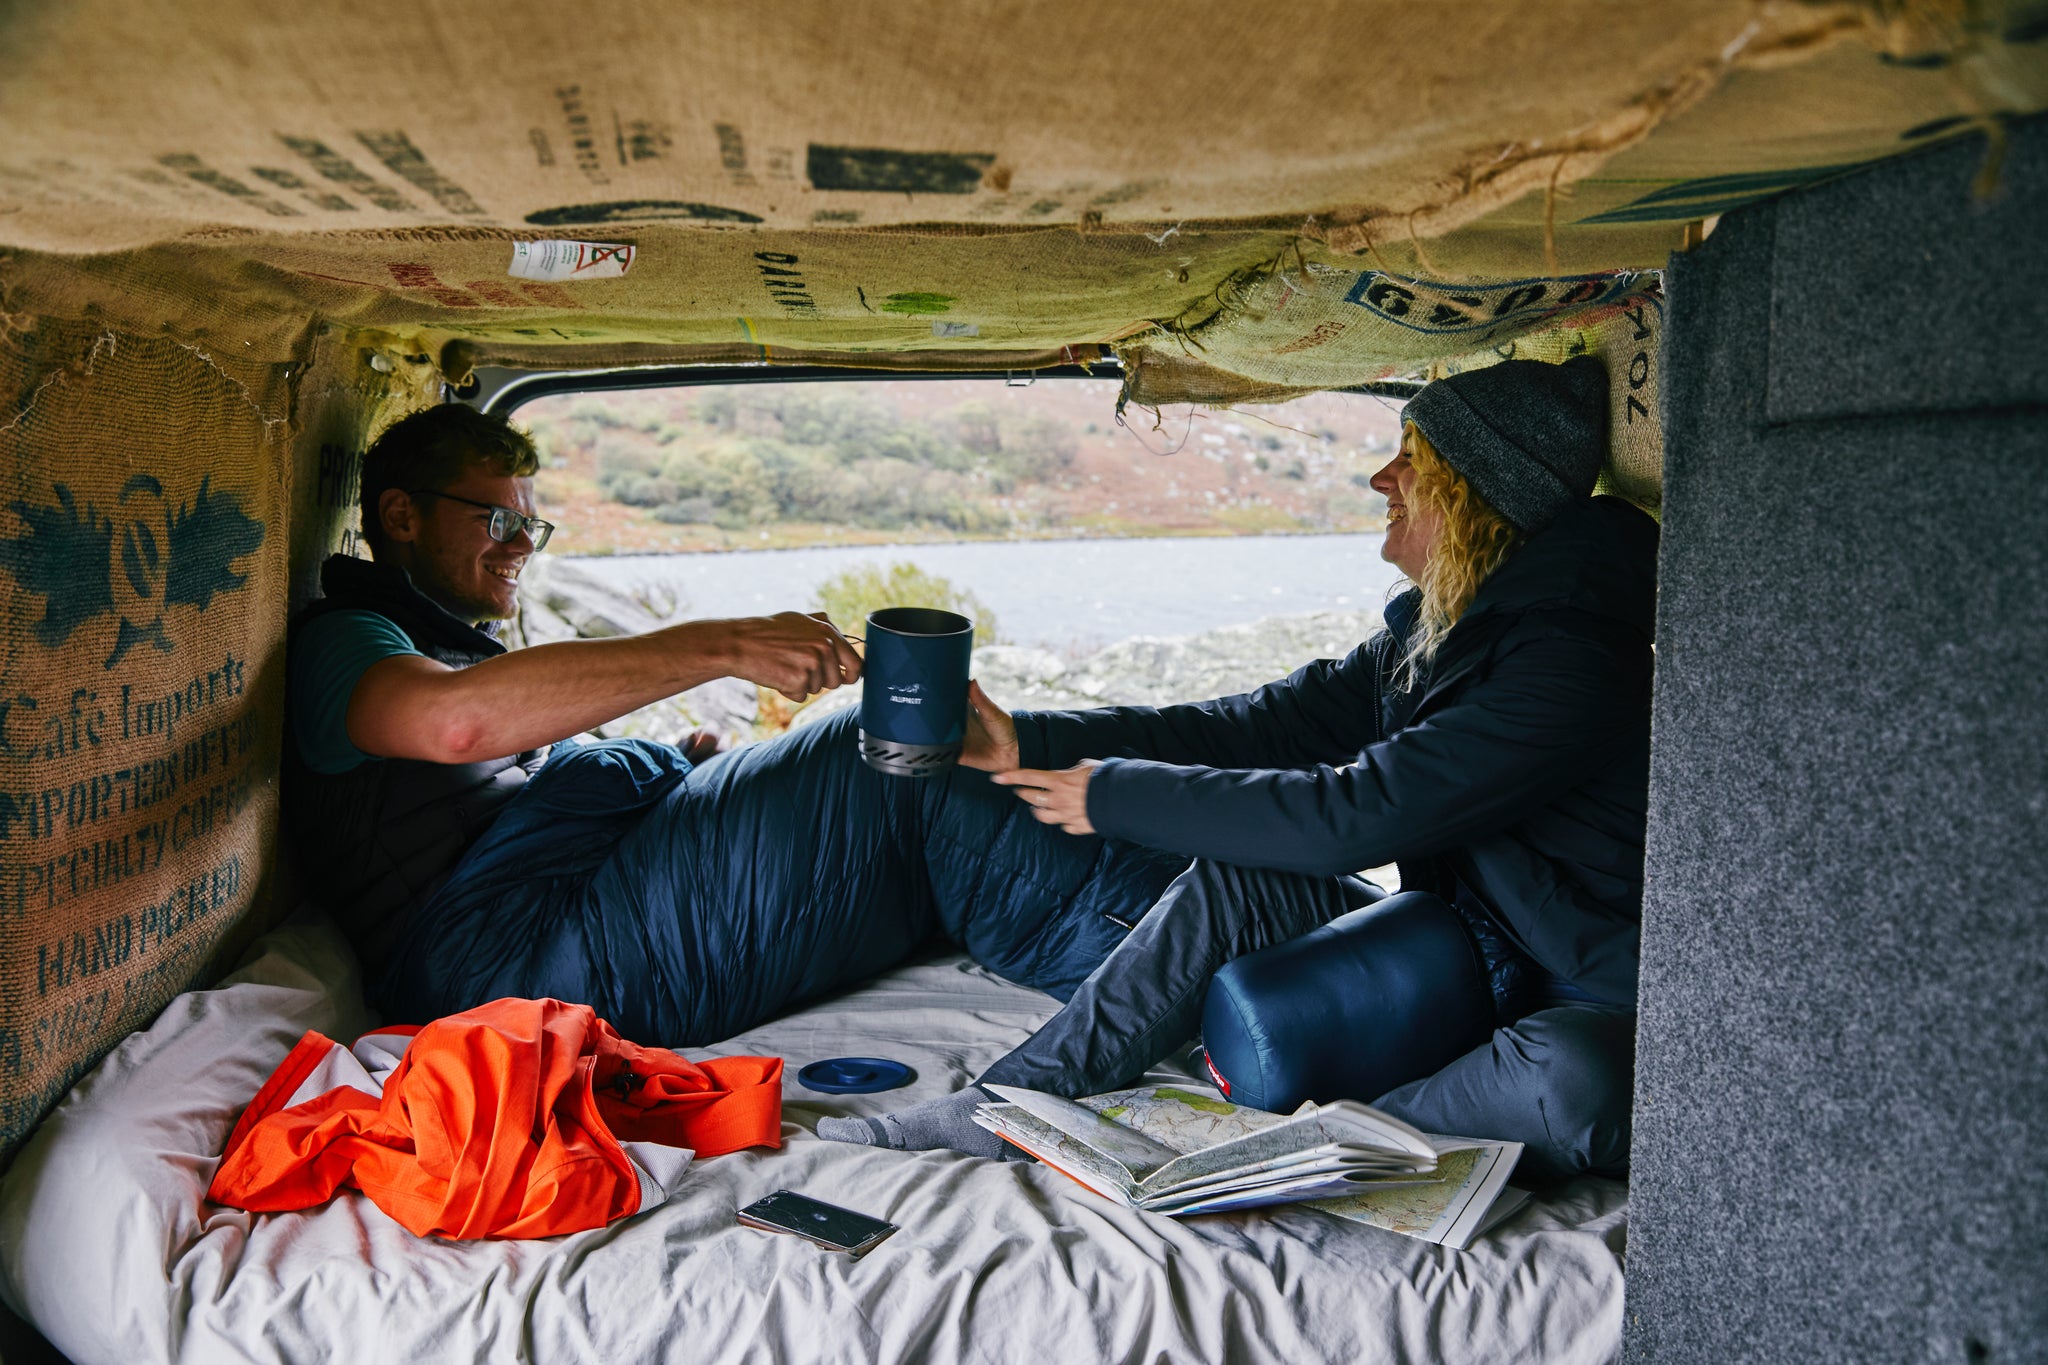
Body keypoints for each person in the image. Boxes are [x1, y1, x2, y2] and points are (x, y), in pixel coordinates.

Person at [819, 354, 1657, 1182]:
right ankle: (1010, 1107)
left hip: (1572, 1001)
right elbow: (1250, 729)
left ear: (1478, 496)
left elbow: (1361, 813)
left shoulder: (1570, 661)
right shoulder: (1431, 639)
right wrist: (1028, 746)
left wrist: (1109, 796)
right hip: (1462, 951)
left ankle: (1273, 1160)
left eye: (1414, 460)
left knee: (1572, 1079)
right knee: (1238, 878)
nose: (1381, 478)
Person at [285, 404, 1187, 1047]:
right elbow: (451, 728)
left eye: (532, 525)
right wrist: (719, 644)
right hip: (501, 971)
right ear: (400, 516)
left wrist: (663, 777)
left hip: (557, 906)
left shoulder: (451, 643)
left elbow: (500, 771)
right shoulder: (349, 641)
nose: (521, 546)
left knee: (899, 757)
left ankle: (1199, 885)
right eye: (495, 520)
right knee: (880, 758)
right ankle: (1187, 962)